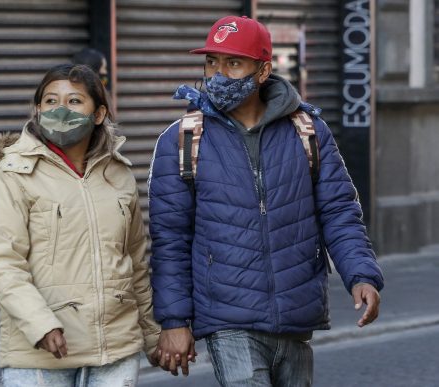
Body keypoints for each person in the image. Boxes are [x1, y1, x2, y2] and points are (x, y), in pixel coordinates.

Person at [147, 15, 384, 386]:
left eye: (233, 62)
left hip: (295, 312)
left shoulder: (307, 131)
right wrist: (174, 321)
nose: (218, 73)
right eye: (212, 62)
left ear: (263, 71)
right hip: (228, 317)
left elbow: (338, 212)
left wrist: (361, 274)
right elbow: (170, 239)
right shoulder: (182, 141)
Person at [0, 64, 160, 387]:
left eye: (74, 101)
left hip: (115, 351)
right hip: (41, 355)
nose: (60, 110)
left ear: (99, 113)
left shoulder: (118, 175)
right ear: (37, 110)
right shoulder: (12, 175)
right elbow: (2, 263)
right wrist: (41, 325)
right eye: (50, 102)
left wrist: (152, 336)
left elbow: (135, 264)